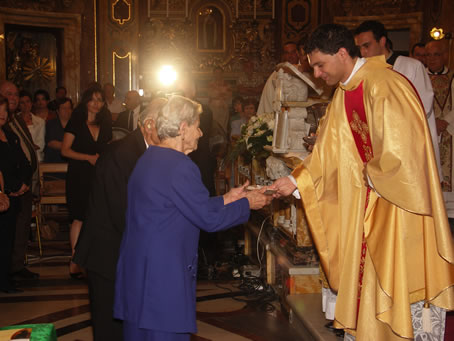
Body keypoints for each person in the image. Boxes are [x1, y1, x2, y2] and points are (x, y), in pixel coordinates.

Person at [270, 24, 454, 340]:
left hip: (397, 209)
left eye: (319, 64)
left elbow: (404, 155)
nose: (316, 74)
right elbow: (328, 150)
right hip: (367, 205)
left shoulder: (385, 85)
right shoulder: (345, 92)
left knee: (394, 279)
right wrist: (295, 181)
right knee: (364, 286)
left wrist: (365, 176)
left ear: (342, 54)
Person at [114, 95, 272, 340]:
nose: (200, 133)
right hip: (162, 278)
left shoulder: (151, 157)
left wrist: (227, 198)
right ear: (182, 128)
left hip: (141, 274)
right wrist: (247, 203)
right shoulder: (180, 165)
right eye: (197, 126)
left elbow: (182, 205)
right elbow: (208, 220)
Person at [73, 98, 166, 341]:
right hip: (107, 253)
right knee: (109, 327)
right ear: (148, 125)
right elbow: (121, 209)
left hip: (121, 250)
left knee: (125, 323)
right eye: (166, 124)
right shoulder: (122, 153)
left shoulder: (145, 150)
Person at [354, 20, 441, 179]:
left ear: (382, 41)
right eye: (359, 48)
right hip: (375, 146)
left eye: (366, 46)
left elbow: (423, 106)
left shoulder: (411, 66)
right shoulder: (362, 72)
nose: (363, 52)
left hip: (407, 144)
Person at [62, 85, 112, 279]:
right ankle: (75, 260)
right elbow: (65, 150)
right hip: (79, 174)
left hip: (99, 174)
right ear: (85, 101)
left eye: (100, 100)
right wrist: (88, 158)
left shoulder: (105, 123)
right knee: (79, 216)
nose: (96, 103)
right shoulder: (76, 121)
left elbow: (107, 148)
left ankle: (91, 258)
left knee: (97, 216)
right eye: (92, 99)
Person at [0, 80, 39, 280]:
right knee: (8, 231)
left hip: (23, 184)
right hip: (8, 187)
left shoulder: (17, 120)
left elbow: (25, 153)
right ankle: (8, 269)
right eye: (8, 94)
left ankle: (16, 265)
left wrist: (25, 180)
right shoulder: (4, 124)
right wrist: (13, 185)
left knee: (22, 227)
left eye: (15, 94)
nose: (13, 98)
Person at [425, 39, 454, 228]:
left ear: (445, 56)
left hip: (450, 134)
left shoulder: (453, 76)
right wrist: (431, 122)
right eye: (428, 55)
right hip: (427, 131)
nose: (432, 59)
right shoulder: (420, 77)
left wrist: (446, 121)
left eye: (437, 54)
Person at [257, 41, 299, 115]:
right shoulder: (277, 73)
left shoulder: (305, 71)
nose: (290, 56)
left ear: (298, 53)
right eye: (287, 53)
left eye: (293, 52)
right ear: (283, 56)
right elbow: (269, 97)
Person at [19, 90, 46, 162]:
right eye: (22, 102)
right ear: (19, 105)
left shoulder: (40, 122)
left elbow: (40, 144)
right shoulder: (13, 120)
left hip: (36, 157)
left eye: (27, 101)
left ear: (31, 103)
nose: (25, 105)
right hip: (18, 157)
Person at [44, 97, 73, 163]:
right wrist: (72, 146)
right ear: (57, 110)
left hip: (71, 162)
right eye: (64, 108)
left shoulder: (76, 125)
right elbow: (52, 143)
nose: (67, 110)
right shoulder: (51, 124)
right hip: (53, 162)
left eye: (69, 108)